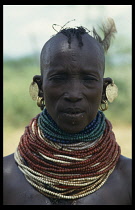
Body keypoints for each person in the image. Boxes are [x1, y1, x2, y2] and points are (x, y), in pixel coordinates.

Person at [3, 18, 132, 205]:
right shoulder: (7, 178)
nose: (73, 94)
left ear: (104, 90)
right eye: (59, 78)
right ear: (40, 88)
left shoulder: (126, 179)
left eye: (88, 79)